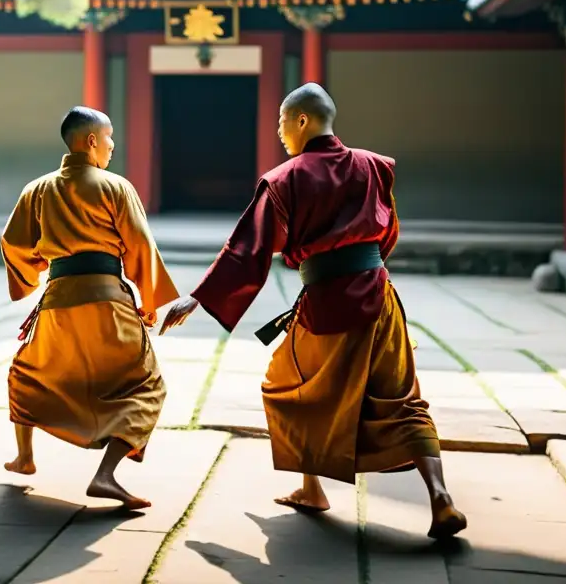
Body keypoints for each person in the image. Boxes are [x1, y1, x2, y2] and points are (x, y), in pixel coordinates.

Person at [160, 83, 467, 540]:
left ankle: (312, 488)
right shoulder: (374, 166)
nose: (280, 133)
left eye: (283, 122)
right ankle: (440, 497)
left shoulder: (286, 178)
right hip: (380, 298)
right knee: (402, 400)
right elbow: (389, 233)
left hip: (327, 305)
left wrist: (198, 297)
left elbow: (248, 250)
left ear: (302, 120)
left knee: (288, 387)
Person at [0, 106, 178, 510]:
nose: (114, 146)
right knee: (144, 384)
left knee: (31, 373)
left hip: (58, 300)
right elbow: (140, 245)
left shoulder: (37, 189)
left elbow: (13, 243)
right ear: (91, 140)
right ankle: (105, 474)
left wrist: (34, 274)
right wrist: (150, 304)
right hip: (108, 302)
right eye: (110, 137)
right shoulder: (115, 187)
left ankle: (25, 458)